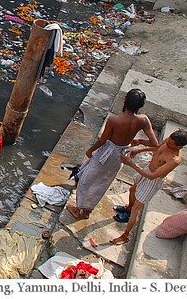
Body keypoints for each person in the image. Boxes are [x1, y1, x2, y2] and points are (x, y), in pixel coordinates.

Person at [66, 88, 158, 219]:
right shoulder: (143, 120)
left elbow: (103, 140)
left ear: (125, 101)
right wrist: (140, 141)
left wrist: (91, 150)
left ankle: (79, 209)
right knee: (102, 183)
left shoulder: (114, 120)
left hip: (107, 153)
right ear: (140, 106)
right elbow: (154, 143)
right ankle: (87, 211)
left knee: (86, 181)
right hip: (121, 155)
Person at [110, 128, 187, 245]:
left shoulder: (174, 160)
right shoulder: (169, 141)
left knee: (136, 208)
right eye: (168, 141)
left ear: (179, 147)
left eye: (170, 145)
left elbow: (153, 176)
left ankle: (125, 235)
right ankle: (128, 209)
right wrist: (140, 150)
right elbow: (158, 148)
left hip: (153, 179)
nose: (167, 145)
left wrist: (132, 164)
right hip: (147, 169)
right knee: (132, 189)